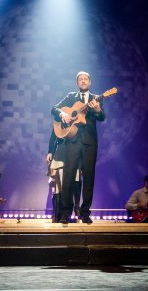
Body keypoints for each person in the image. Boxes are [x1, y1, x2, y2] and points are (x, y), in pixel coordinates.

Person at [51, 71, 105, 224]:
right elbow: (54, 109)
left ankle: (85, 213)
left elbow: (102, 117)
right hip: (72, 141)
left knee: (89, 177)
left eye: (85, 79)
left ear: (90, 82)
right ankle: (65, 213)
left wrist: (97, 110)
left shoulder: (95, 99)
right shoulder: (70, 97)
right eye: (80, 79)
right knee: (68, 177)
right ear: (77, 83)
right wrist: (63, 114)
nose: (83, 81)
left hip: (90, 142)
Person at [46, 129, 82, 222]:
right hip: (61, 151)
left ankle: (76, 208)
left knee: (75, 181)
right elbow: (53, 136)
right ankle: (61, 214)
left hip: (74, 152)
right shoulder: (58, 119)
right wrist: (50, 151)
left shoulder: (77, 119)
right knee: (59, 185)